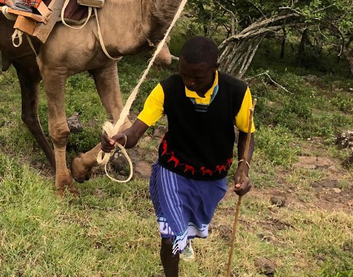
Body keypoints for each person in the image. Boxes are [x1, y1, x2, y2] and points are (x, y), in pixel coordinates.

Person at [100, 36, 255, 277]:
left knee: (192, 225)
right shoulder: (167, 89)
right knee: (170, 235)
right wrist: (120, 139)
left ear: (215, 68)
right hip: (172, 170)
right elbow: (135, 132)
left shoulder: (237, 92)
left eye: (197, 77)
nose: (189, 82)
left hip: (212, 176)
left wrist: (243, 168)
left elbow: (247, 133)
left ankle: (186, 237)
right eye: (184, 75)